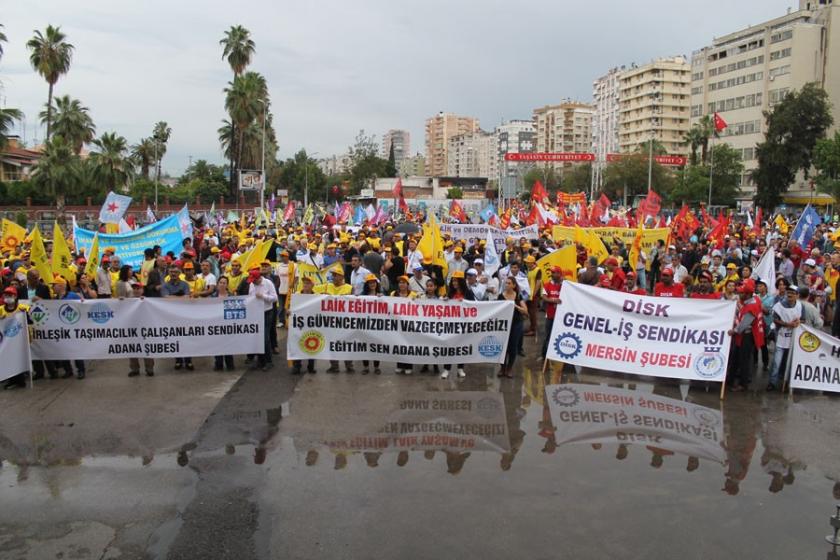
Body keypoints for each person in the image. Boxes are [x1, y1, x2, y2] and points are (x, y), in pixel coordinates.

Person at [728, 279, 764, 392]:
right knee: (736, 358)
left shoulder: (751, 306)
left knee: (744, 360)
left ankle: (743, 384)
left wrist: (733, 331)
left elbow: (744, 325)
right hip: (744, 336)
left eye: (742, 293)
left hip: (746, 336)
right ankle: (730, 379)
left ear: (748, 294)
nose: (739, 294)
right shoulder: (751, 301)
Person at [768, 285, 803, 391]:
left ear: (797, 295)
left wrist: (798, 322)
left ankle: (787, 381)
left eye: (793, 293)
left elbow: (803, 320)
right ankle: (772, 382)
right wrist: (787, 324)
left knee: (789, 362)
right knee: (776, 362)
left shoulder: (800, 306)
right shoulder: (779, 306)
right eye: (789, 292)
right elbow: (775, 319)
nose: (790, 295)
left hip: (793, 340)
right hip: (781, 338)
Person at [442, 271, 474, 379]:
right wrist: (445, 300)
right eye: (453, 280)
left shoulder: (468, 293)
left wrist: (464, 302)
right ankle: (447, 369)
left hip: (463, 324)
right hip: (451, 325)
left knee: (461, 347)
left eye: (456, 280)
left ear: (461, 281)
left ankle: (460, 368)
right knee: (449, 347)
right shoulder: (450, 293)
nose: (454, 283)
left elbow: (474, 306)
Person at [1, 287, 30, 389]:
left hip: (19, 340)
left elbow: (30, 321)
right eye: (6, 295)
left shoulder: (22, 307)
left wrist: (25, 314)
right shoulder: (0, 310)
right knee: (8, 359)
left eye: (10, 295)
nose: (8, 297)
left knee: (19, 359)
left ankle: (20, 380)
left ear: (15, 296)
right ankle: (11, 379)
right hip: (6, 341)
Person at [498, 277, 528, 378]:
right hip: (503, 325)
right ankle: (502, 368)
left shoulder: (518, 296)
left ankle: (509, 368)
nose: (507, 285)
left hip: (516, 324)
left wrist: (514, 305)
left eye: (509, 283)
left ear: (514, 285)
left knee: (513, 347)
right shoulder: (500, 296)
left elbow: (525, 311)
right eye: (506, 283)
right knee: (503, 347)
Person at [127, 280, 155, 377]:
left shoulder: (148, 301)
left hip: (145, 329)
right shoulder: (127, 301)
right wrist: (120, 301)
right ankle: (134, 369)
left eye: (138, 288)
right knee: (132, 349)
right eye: (134, 288)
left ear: (142, 290)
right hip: (132, 329)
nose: (136, 290)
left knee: (147, 349)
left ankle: (149, 369)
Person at [391, 275, 415, 375]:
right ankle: (400, 365)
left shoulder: (413, 295)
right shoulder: (393, 294)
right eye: (400, 282)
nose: (401, 284)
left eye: (404, 282)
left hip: (409, 324)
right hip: (397, 324)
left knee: (408, 345)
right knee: (398, 344)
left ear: (407, 284)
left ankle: (409, 365)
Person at [211, 276, 235, 372]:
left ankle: (230, 364)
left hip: (228, 324)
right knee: (217, 345)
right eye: (220, 282)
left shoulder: (231, 296)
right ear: (217, 284)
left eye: (224, 283)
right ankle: (218, 364)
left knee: (228, 345)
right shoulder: (213, 296)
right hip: (216, 324)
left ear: (227, 285)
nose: (222, 284)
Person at [541, 266, 564, 357]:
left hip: (562, 317)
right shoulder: (547, 285)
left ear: (559, 274)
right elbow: (544, 297)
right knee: (548, 336)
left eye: (554, 272)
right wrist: (554, 300)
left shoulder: (565, 285)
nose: (552, 274)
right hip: (550, 315)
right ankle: (544, 355)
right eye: (552, 272)